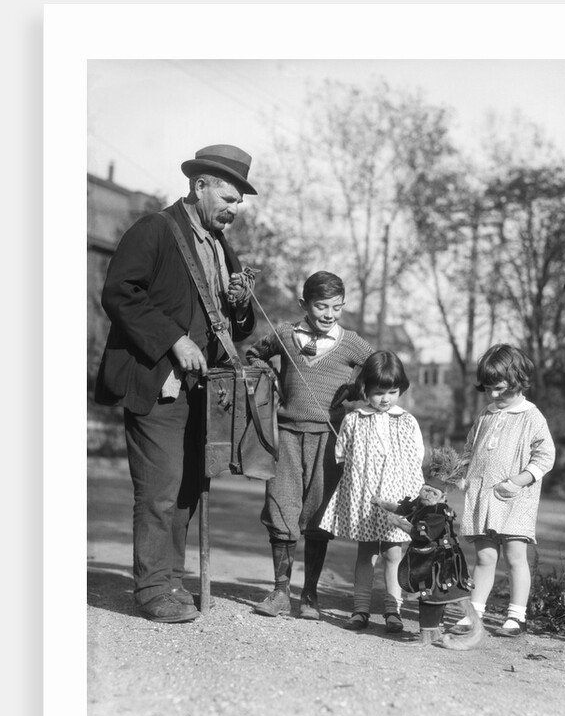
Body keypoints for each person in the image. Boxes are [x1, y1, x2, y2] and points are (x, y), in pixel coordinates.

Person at [95, 144, 259, 623]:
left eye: (239, 203)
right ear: (199, 185)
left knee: (188, 487)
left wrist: (241, 304)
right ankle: (150, 589)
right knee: (160, 489)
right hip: (158, 383)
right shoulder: (155, 230)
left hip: (203, 392)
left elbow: (232, 327)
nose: (234, 210)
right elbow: (119, 293)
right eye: (227, 199)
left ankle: (171, 580)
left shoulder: (221, 247)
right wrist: (173, 340)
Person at [245, 271, 374, 620]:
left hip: (328, 441)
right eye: (321, 306)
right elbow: (253, 354)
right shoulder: (286, 333)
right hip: (285, 436)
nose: (329, 314)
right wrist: (266, 376)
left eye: (337, 307)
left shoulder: (351, 343)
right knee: (281, 508)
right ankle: (280, 591)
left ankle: (311, 596)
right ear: (304, 304)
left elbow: (380, 368)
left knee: (318, 513)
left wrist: (358, 390)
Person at [453, 343, 556, 638]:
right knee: (485, 557)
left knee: (514, 556)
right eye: (488, 389)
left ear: (518, 381)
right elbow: (471, 449)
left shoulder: (531, 416)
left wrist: (519, 481)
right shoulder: (485, 415)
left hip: (514, 499)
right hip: (482, 497)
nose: (494, 395)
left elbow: (545, 455)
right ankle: (475, 614)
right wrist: (462, 473)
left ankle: (516, 616)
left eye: (500, 388)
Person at [319, 351, 425, 633]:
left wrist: (413, 501)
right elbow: (341, 455)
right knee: (366, 554)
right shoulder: (354, 420)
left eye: (393, 391)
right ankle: (360, 609)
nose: (386, 398)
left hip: (396, 502)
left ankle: (393, 611)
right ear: (365, 389)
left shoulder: (406, 421)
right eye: (379, 392)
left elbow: (416, 459)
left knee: (393, 554)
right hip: (365, 500)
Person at [379, 446, 484, 648]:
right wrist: (383, 504)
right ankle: (434, 635)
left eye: (432, 492)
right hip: (431, 560)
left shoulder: (438, 511)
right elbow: (406, 509)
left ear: (442, 496)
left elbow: (421, 533)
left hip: (440, 565)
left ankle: (426, 639)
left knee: (431, 597)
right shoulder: (422, 503)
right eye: (425, 489)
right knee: (433, 598)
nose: (427, 494)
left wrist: (398, 523)